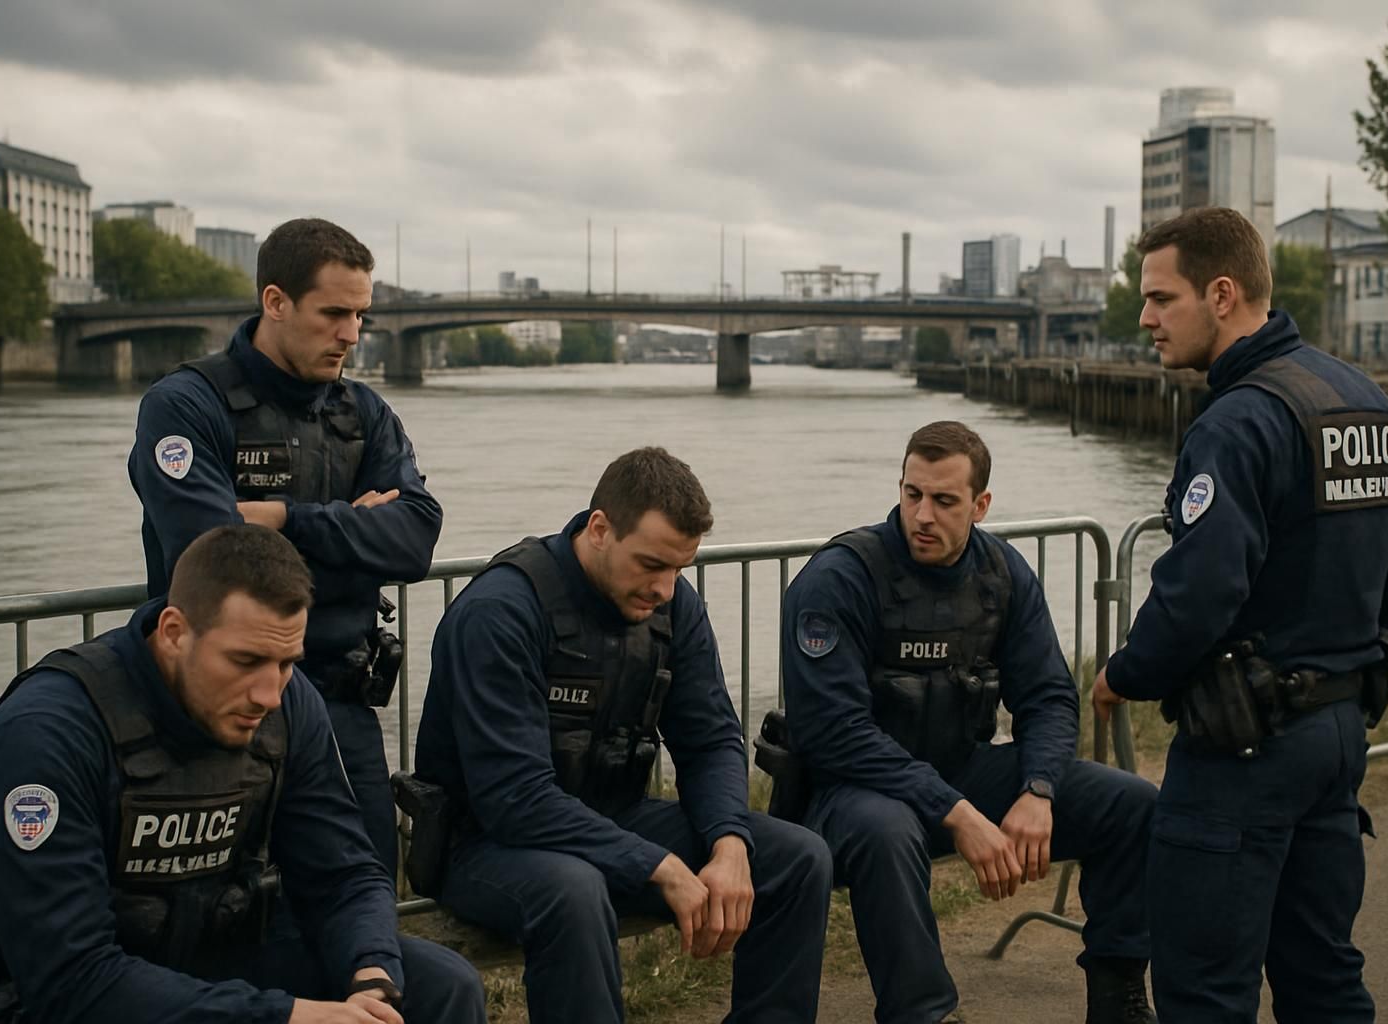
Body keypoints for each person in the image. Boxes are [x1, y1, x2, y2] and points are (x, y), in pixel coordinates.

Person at [1092, 207, 1388, 1023]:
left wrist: (1122, 674)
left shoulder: (1238, 421)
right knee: (1322, 978)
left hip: (1240, 749)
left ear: (1221, 294)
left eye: (1160, 298)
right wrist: (1355, 637)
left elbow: (1199, 593)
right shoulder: (1363, 399)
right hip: (1334, 736)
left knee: (1204, 992)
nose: (1145, 318)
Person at [0, 524, 484, 1024]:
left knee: (440, 987)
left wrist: (371, 973)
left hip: (212, 955)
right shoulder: (48, 735)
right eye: (245, 662)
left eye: (287, 662)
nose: (269, 693)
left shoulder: (288, 703)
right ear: (175, 632)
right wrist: (286, 1016)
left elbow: (342, 874)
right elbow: (71, 980)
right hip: (47, 995)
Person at [409, 447, 832, 1024]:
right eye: (652, 564)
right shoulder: (501, 612)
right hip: (486, 844)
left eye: (680, 568)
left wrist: (730, 844)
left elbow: (709, 741)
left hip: (613, 819)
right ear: (600, 528)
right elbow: (515, 799)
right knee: (574, 891)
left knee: (797, 856)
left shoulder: (672, 605)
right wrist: (657, 866)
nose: (665, 586)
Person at [780, 420, 1158, 1024]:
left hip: (962, 771)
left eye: (944, 501)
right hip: (851, 794)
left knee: (1131, 804)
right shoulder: (841, 577)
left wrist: (1039, 789)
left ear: (981, 505)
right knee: (888, 829)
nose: (922, 515)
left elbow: (1050, 697)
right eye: (912, 494)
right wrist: (955, 813)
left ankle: (1119, 996)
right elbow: (834, 733)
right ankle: (924, 1013)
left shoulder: (1002, 574)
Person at [128, 217, 441, 873]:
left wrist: (281, 519)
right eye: (333, 313)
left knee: (364, 890)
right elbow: (215, 559)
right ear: (275, 301)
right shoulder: (186, 406)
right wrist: (352, 530)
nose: (352, 335)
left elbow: (415, 538)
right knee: (231, 907)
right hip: (220, 705)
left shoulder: (364, 414)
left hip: (341, 700)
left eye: (360, 315)